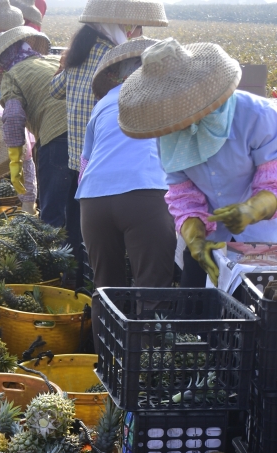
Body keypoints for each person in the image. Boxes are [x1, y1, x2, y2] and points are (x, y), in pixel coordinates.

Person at [118, 38, 277, 286]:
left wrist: (251, 211)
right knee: (197, 303)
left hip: (264, 244)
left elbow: (272, 182)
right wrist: (195, 239)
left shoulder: (257, 116)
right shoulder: (169, 135)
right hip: (213, 244)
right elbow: (184, 196)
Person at [50, 0, 167, 279]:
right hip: (130, 175)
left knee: (90, 256)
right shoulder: (114, 58)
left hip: (86, 172)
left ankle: (75, 287)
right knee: (145, 271)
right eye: (136, 27)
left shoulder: (79, 54)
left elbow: (54, 89)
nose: (138, 33)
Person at [78, 38, 175, 295]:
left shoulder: (103, 103)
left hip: (93, 200)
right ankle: (149, 323)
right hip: (145, 194)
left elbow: (85, 163)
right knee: (153, 290)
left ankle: (104, 323)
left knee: (106, 290)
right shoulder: (167, 98)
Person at [0, 28, 75, 239]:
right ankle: (79, 260)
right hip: (86, 136)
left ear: (2, 62)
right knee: (77, 212)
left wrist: (15, 162)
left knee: (52, 217)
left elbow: (14, 116)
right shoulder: (53, 60)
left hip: (56, 140)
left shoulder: (12, 76)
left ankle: (53, 258)